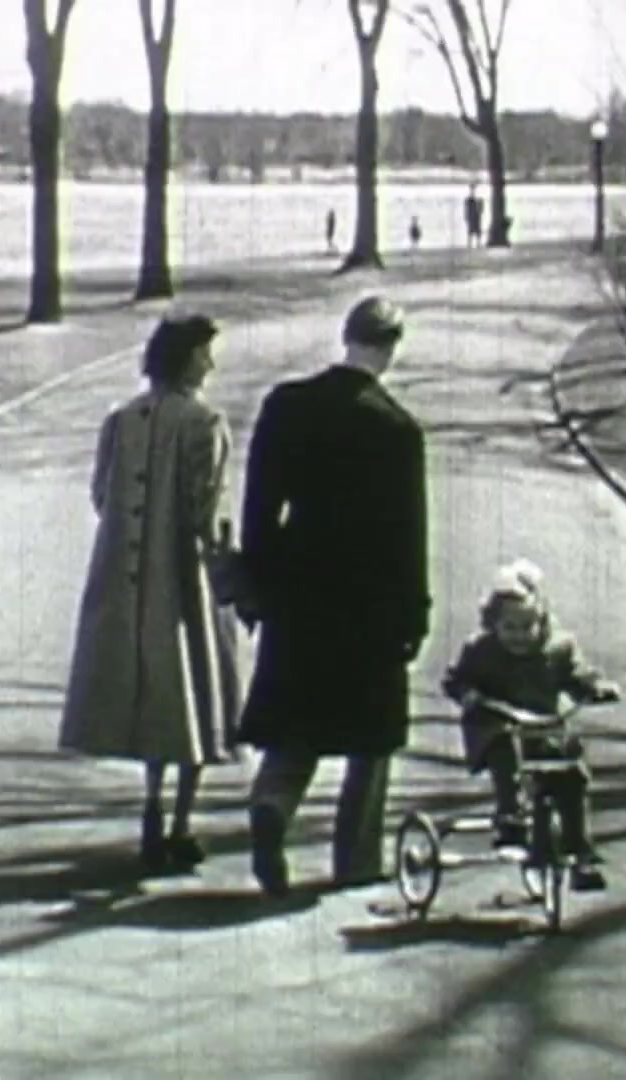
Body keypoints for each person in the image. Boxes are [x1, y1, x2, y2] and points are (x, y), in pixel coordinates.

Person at [236, 296, 430, 898]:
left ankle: (272, 803)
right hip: (368, 594)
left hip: (300, 585)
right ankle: (356, 858)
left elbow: (260, 506)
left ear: (346, 338)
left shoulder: (286, 406)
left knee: (296, 721)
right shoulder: (397, 427)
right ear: (391, 348)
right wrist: (412, 613)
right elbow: (409, 530)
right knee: (370, 737)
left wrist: (257, 582)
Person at [58, 312, 242, 872]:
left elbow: (100, 495)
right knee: (196, 693)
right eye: (205, 353)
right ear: (187, 357)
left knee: (149, 694)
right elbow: (204, 512)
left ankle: (151, 807)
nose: (210, 364)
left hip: (123, 579)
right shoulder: (204, 423)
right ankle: (180, 823)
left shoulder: (120, 420)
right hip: (183, 578)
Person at [440, 559, 620, 892]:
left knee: (572, 774)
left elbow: (578, 675)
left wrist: (595, 688)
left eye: (527, 627)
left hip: (543, 726)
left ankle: (578, 849)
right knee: (507, 752)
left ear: (542, 621)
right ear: (493, 624)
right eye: (509, 627)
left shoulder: (558, 647)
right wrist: (468, 694)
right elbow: (455, 680)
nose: (519, 636)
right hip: (496, 724)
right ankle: (510, 820)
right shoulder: (481, 650)